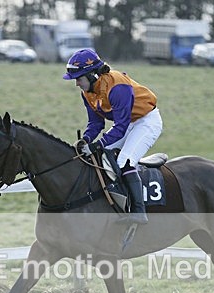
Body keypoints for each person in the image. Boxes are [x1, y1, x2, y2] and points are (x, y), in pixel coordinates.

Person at [63, 48, 163, 224]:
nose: (77, 83)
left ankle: (139, 212)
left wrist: (98, 143)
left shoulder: (118, 86)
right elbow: (96, 124)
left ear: (92, 75)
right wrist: (86, 140)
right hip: (128, 124)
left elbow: (121, 127)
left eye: (79, 78)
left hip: (146, 121)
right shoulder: (87, 92)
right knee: (97, 156)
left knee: (124, 161)